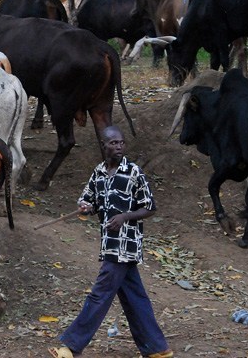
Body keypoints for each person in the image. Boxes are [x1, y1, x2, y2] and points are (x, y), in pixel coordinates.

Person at [50, 126, 173, 358]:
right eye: (113, 143)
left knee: (100, 294)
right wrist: (85, 207)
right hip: (109, 244)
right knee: (134, 297)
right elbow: (88, 202)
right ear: (103, 145)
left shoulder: (133, 172)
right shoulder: (98, 173)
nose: (119, 147)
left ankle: (71, 346)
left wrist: (125, 217)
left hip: (126, 245)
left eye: (121, 143)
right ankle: (157, 348)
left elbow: (149, 207)